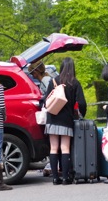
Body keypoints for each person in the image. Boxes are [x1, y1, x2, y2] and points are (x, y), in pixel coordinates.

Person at [44, 57, 87, 185]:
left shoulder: (53, 81)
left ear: (62, 67)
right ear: (72, 68)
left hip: (52, 118)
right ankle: (65, 178)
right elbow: (82, 103)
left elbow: (46, 100)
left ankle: (55, 178)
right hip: (66, 119)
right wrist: (81, 114)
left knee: (53, 148)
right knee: (65, 147)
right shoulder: (75, 83)